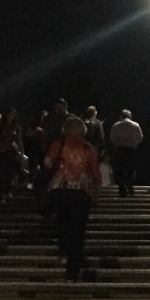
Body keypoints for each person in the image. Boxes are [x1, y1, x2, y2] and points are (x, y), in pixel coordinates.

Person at [42, 116, 102, 280]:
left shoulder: (59, 145)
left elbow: (47, 162)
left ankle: (62, 248)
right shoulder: (89, 148)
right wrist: (96, 193)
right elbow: (96, 174)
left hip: (60, 190)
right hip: (81, 193)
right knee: (78, 231)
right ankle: (72, 272)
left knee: (62, 221)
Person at [109, 108, 143, 197]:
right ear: (130, 116)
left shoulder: (116, 125)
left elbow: (112, 138)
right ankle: (129, 184)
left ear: (121, 116)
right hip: (131, 150)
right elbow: (140, 138)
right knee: (130, 170)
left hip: (119, 150)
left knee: (119, 170)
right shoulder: (135, 125)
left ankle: (122, 190)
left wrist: (119, 143)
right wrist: (133, 143)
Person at [0, 107, 24, 200]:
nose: (11, 117)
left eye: (13, 115)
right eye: (10, 115)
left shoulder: (16, 127)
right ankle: (2, 191)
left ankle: (6, 190)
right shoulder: (1, 126)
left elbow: (19, 141)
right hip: (1, 151)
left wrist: (21, 152)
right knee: (1, 172)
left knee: (11, 172)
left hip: (12, 151)